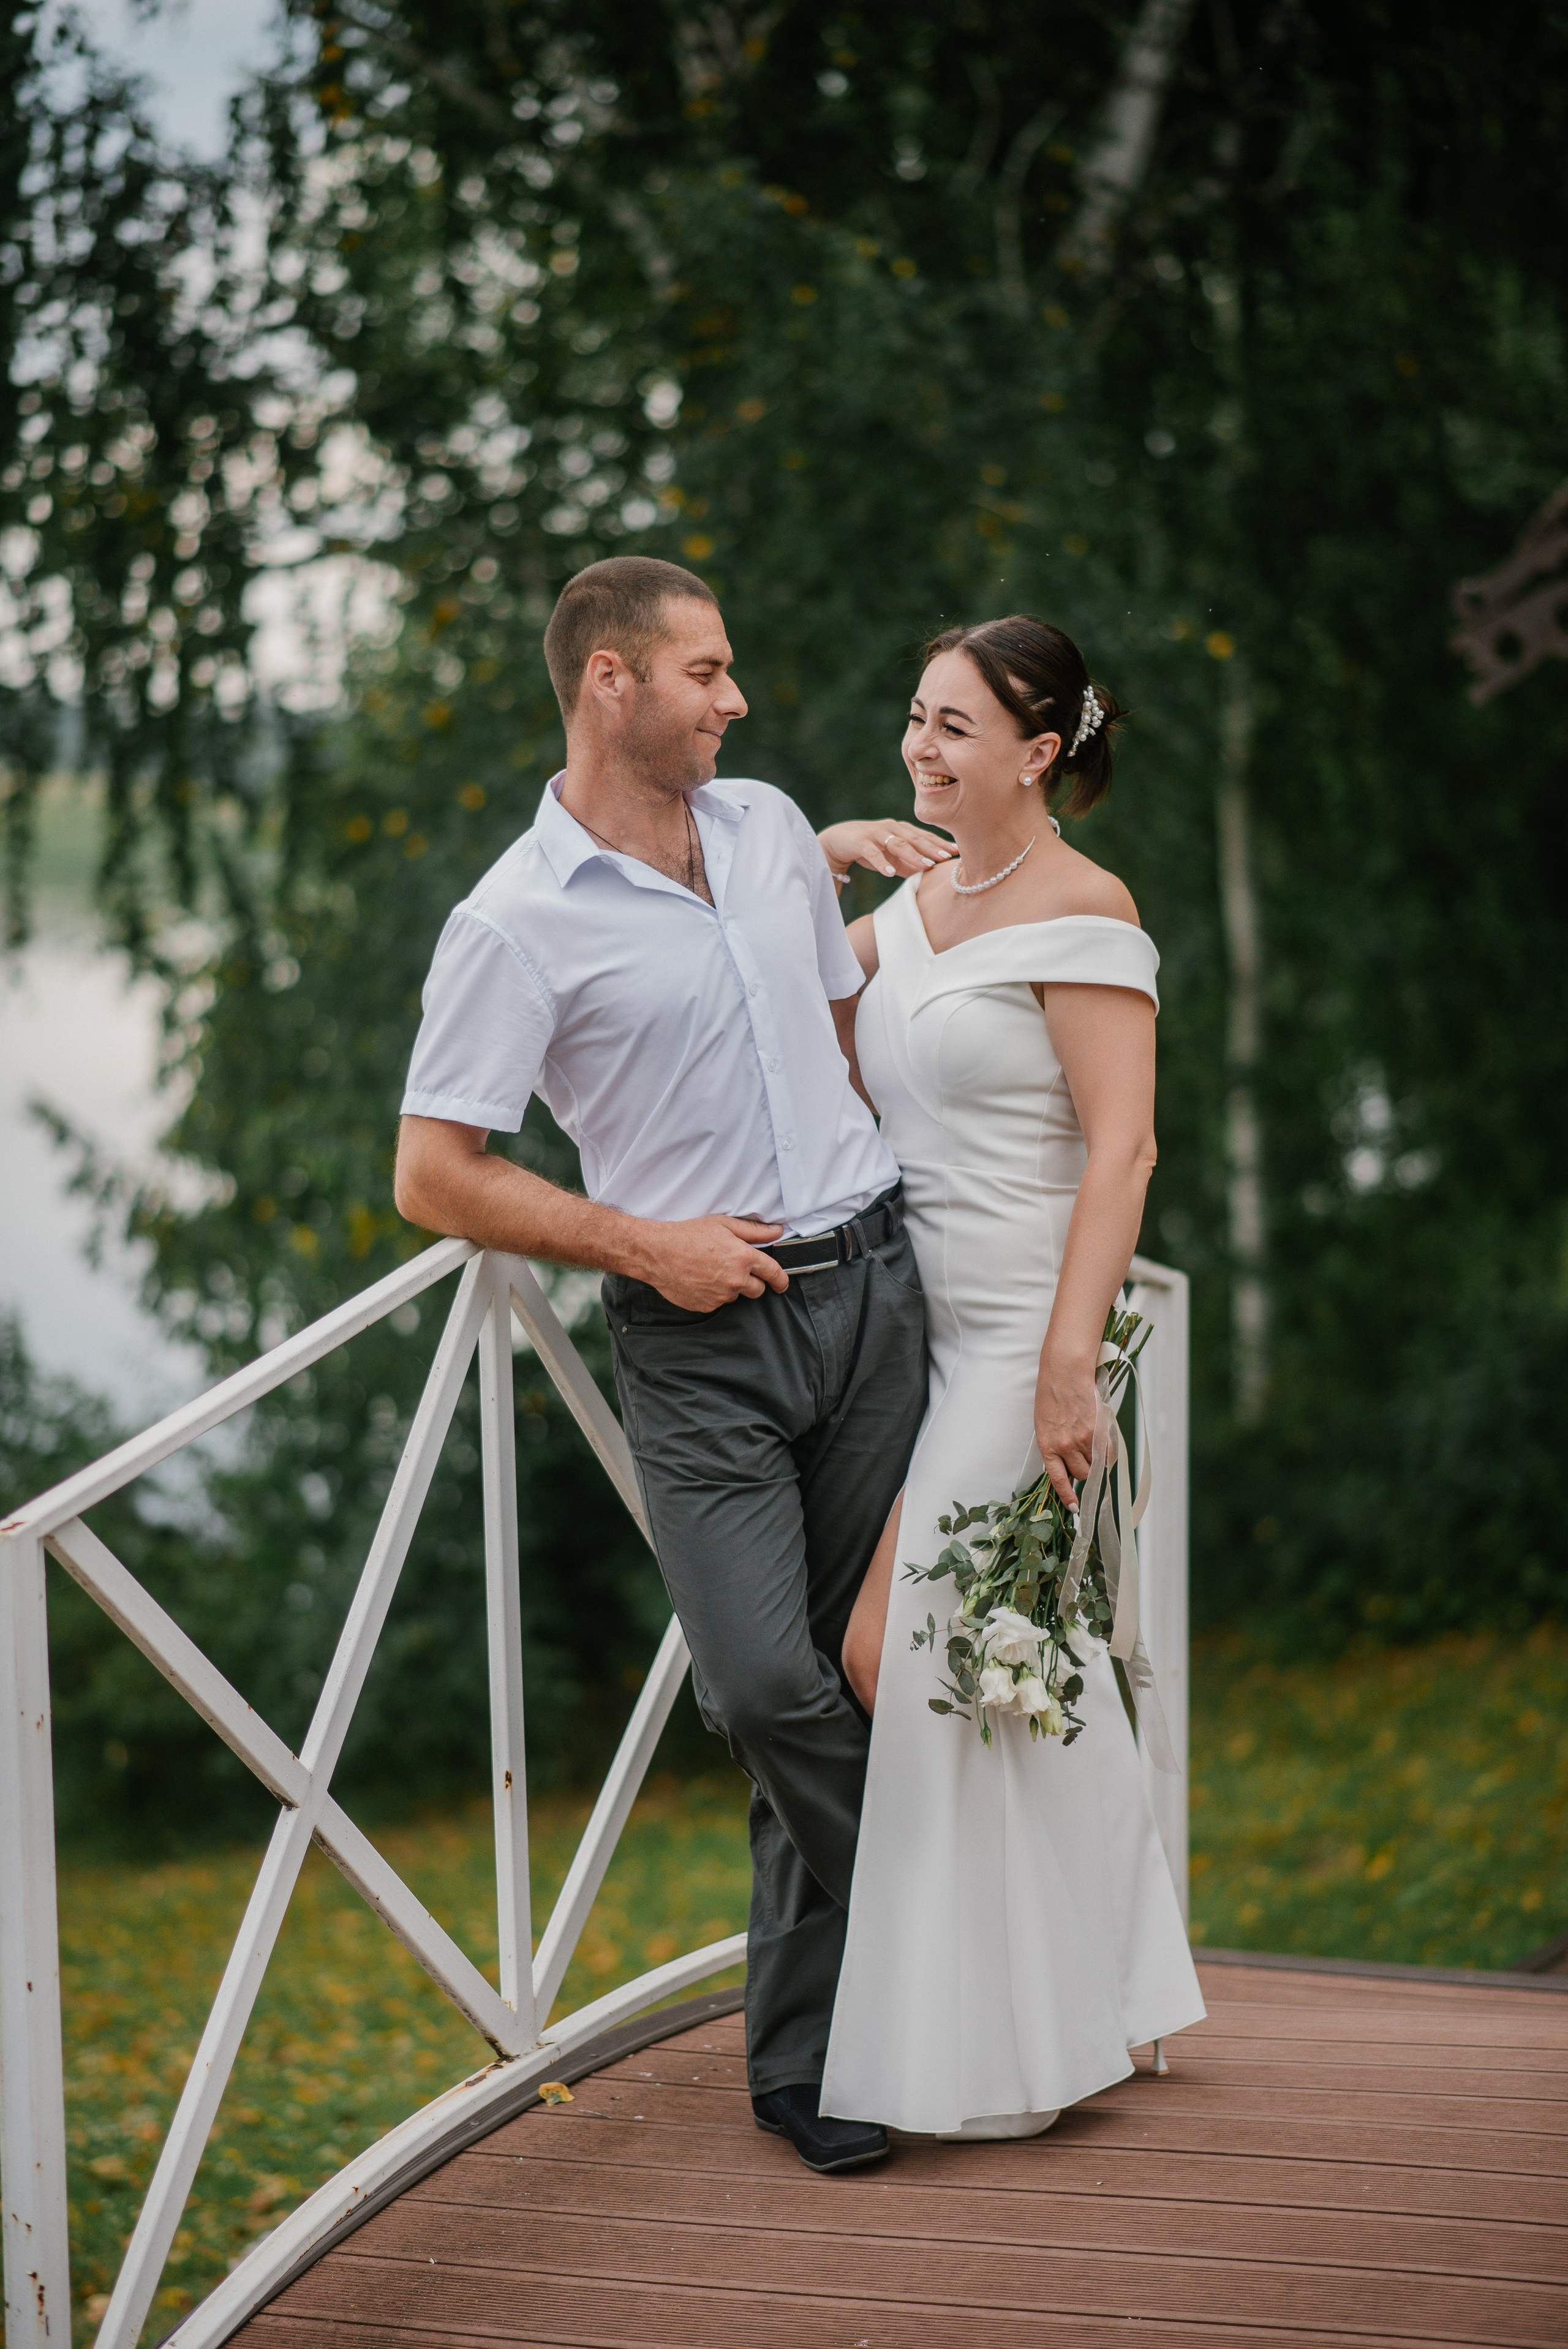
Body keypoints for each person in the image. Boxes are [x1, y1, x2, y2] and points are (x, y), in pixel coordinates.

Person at [392, 556, 943, 2175]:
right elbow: (432, 1173)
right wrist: (647, 1245)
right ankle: (966, 1937)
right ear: (610, 681)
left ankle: (808, 2071)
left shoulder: (769, 829)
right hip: (698, 1342)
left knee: (834, 1683)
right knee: (761, 1684)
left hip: (875, 1292)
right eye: (705, 671)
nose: (736, 699)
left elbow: (839, 1039)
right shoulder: (512, 923)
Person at [813, 614, 1205, 2140]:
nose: (920, 747)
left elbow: (1125, 1150)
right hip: (909, 1332)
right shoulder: (908, 905)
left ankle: (1002, 2036)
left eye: (955, 726)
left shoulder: (1086, 909)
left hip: (1021, 1334)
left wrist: (1066, 1364)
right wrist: (815, 864)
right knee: (1004, 1653)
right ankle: (1100, 1983)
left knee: (896, 1648)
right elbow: (778, 1009)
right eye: (916, 717)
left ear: (1040, 753)